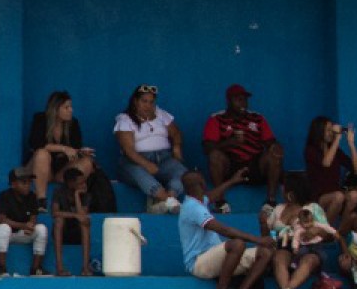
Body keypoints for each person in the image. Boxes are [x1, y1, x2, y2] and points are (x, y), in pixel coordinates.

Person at [177, 169, 275, 289]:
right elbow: (224, 230)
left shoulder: (197, 200)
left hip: (217, 259)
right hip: (199, 263)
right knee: (237, 244)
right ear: (202, 184)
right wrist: (259, 240)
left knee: (265, 253)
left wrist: (232, 181)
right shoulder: (193, 207)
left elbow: (212, 196)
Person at [203, 85, 283, 207]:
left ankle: (271, 200)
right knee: (215, 156)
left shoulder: (257, 118)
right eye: (238, 99)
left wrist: (275, 147)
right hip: (230, 166)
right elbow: (207, 148)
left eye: (245, 100)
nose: (243, 103)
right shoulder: (217, 119)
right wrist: (229, 142)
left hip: (255, 165)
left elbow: (270, 142)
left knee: (273, 156)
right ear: (229, 101)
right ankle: (220, 201)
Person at [114, 85, 187, 213]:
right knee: (139, 173)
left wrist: (176, 148)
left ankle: (166, 199)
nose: (148, 105)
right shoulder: (125, 119)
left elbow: (176, 133)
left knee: (183, 173)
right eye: (144, 101)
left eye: (151, 102)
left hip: (164, 159)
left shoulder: (161, 114)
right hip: (136, 160)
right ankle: (169, 202)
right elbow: (128, 150)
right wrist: (146, 164)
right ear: (136, 101)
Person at [266, 187, 342, 289]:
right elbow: (268, 233)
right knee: (279, 258)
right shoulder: (279, 208)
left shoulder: (313, 208)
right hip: (285, 246)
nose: (281, 190)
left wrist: (316, 231)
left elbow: (328, 234)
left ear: (291, 193)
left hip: (310, 248)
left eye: (284, 188)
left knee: (309, 260)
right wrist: (264, 224)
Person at [25, 90, 97, 196]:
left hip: (61, 171)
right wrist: (63, 148)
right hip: (40, 167)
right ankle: (41, 200)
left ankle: (73, 196)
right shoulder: (41, 119)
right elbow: (36, 143)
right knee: (42, 154)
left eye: (71, 107)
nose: (71, 110)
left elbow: (75, 147)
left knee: (87, 162)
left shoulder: (73, 123)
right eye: (66, 107)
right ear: (55, 109)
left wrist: (80, 151)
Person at [0, 168, 49, 278]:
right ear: (13, 184)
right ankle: (1, 269)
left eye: (29, 182)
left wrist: (30, 226)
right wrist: (23, 225)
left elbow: (33, 217)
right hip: (0, 233)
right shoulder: (5, 195)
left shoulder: (32, 196)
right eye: (24, 182)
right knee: (4, 228)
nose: (28, 185)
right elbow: (2, 219)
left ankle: (36, 269)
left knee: (41, 229)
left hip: (21, 233)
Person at [303, 117, 357, 224]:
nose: (331, 133)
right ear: (319, 131)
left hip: (337, 193)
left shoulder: (335, 150)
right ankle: (325, 230)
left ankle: (341, 231)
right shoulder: (310, 150)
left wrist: (351, 144)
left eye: (331, 130)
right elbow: (326, 163)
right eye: (328, 130)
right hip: (319, 197)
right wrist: (338, 138)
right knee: (339, 196)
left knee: (354, 196)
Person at [49, 166, 95, 276]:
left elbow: (82, 216)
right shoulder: (59, 192)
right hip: (63, 230)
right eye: (80, 183)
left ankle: (85, 268)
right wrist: (74, 215)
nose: (84, 185)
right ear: (70, 183)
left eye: (85, 182)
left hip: (77, 231)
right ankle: (60, 268)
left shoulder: (86, 195)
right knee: (58, 221)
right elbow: (55, 212)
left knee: (85, 223)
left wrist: (77, 196)